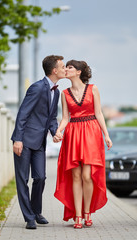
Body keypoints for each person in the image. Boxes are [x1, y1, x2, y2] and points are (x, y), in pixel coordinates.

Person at [54, 60, 112, 229]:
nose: (65, 69)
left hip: (91, 133)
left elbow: (99, 113)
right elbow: (65, 117)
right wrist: (59, 131)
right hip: (73, 134)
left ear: (78, 72)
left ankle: (87, 212)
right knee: (76, 176)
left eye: (69, 67)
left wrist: (106, 135)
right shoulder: (64, 93)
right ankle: (78, 216)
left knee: (87, 176)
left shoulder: (93, 89)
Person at [11, 55, 66, 230]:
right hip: (25, 140)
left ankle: (36, 211)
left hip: (40, 143)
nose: (65, 69)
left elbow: (51, 118)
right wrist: (17, 139)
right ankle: (29, 217)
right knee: (22, 179)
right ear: (54, 70)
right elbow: (23, 114)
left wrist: (55, 133)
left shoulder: (56, 91)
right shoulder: (37, 87)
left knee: (41, 177)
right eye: (63, 67)